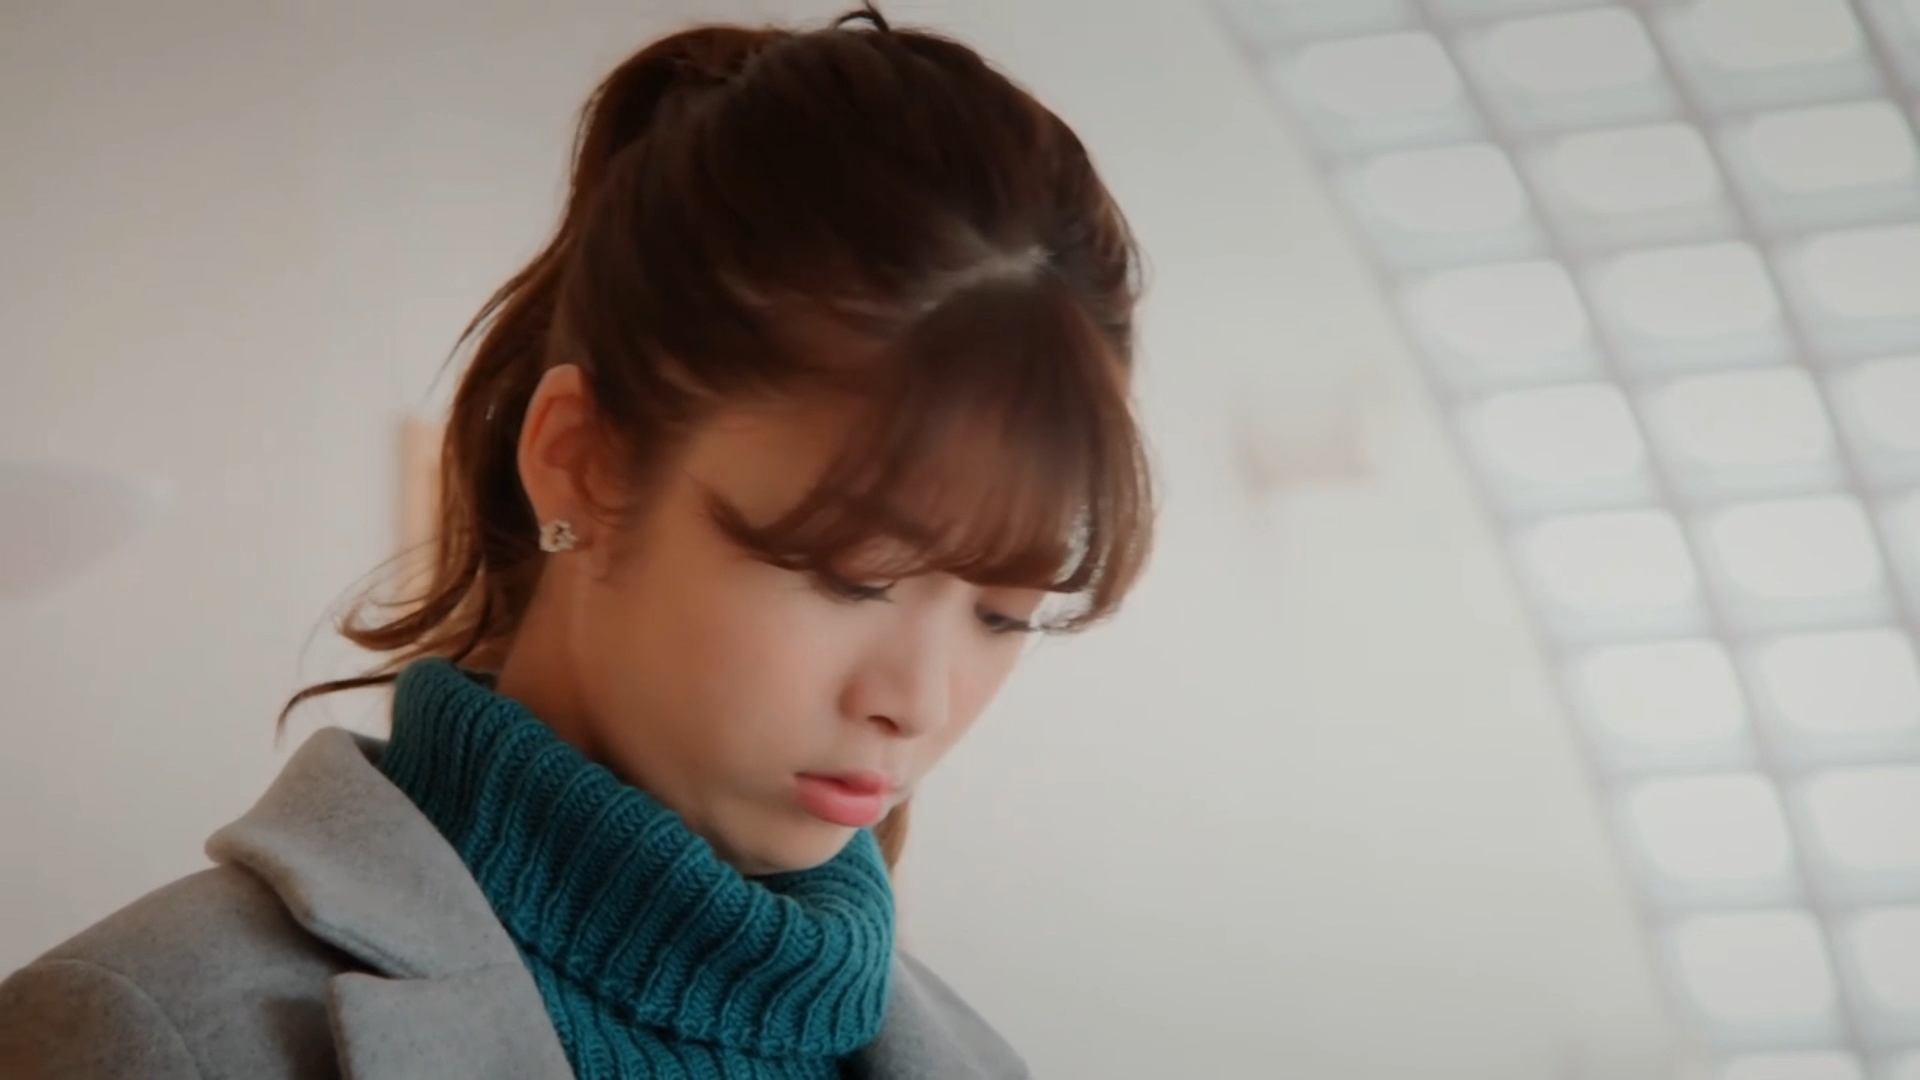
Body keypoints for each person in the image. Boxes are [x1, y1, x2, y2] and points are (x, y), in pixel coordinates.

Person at [0, 5, 1154, 1077]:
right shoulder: (142, 1030)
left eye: (1004, 612)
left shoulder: (984, 1058)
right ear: (583, 464)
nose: (920, 700)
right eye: (854, 574)